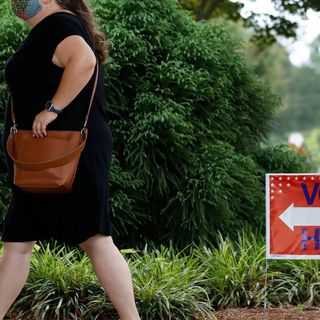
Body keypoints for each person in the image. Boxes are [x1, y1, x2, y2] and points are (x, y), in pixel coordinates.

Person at [0, 0, 141, 319]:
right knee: (18, 241)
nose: (17, 2)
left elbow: (83, 59)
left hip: (67, 156)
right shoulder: (49, 29)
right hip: (42, 158)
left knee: (95, 239)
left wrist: (52, 110)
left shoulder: (59, 25)